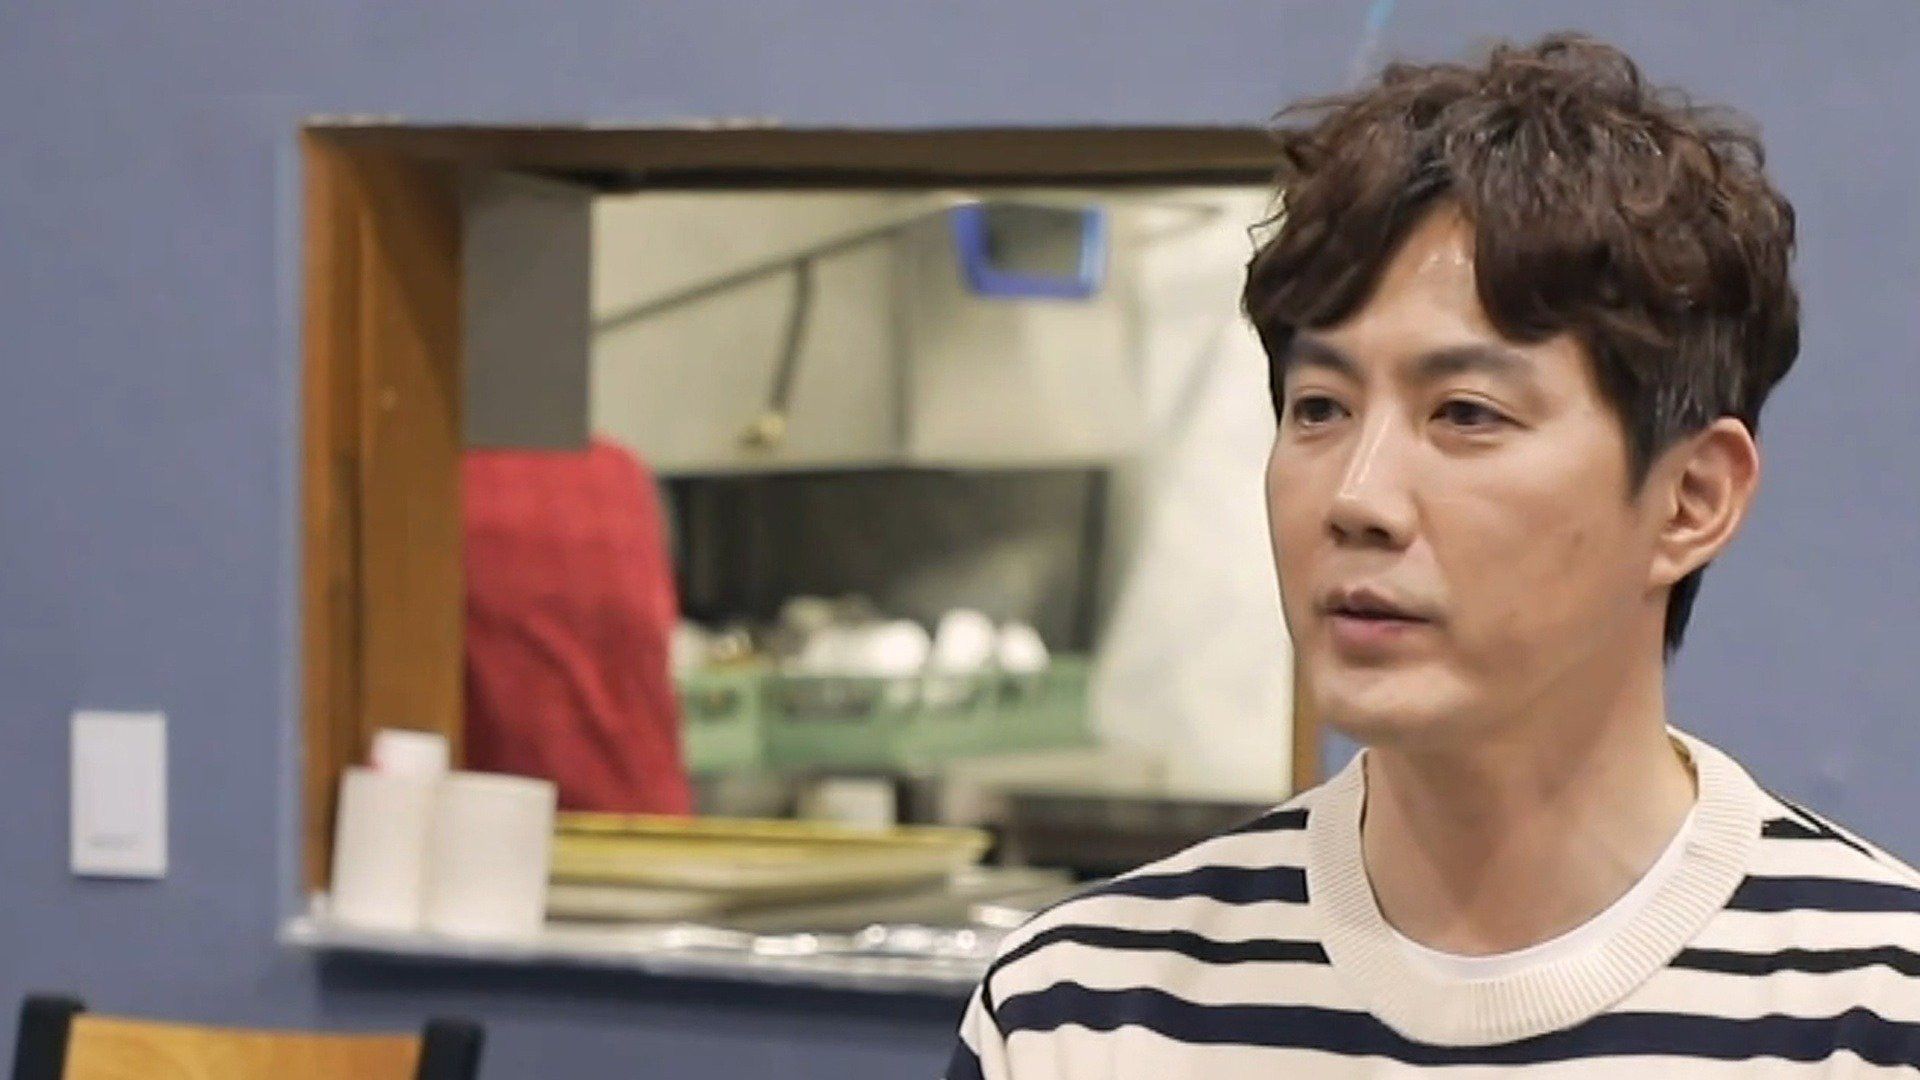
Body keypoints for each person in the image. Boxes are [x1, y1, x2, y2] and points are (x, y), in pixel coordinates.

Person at [948, 33, 1919, 1077]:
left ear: (1691, 501)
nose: (1357, 499)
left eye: (1465, 413)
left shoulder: (1874, 1012)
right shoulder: (1081, 1013)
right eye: (1320, 408)